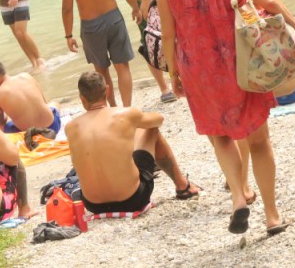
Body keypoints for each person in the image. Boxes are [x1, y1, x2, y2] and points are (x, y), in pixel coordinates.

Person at [156, 0, 295, 236]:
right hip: (242, 63)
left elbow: (168, 33)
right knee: (258, 141)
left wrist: (174, 74)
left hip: (198, 70)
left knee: (220, 136)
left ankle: (237, 196)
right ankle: (272, 216)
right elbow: (267, 0)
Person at [67, 71, 200, 215]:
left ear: (81, 98)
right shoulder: (125, 114)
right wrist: (135, 123)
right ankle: (182, 186)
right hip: (132, 199)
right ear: (108, 90)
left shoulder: (70, 127)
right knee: (150, 129)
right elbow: (159, 120)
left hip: (93, 205)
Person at [61, 0, 138, 107]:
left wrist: (69, 35)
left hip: (90, 27)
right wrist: (135, 8)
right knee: (122, 66)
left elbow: (67, 8)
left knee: (101, 69)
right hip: (113, 19)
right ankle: (127, 108)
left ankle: (112, 107)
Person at [0, 63, 62, 136]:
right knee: (54, 103)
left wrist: (9, 115)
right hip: (53, 128)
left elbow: (0, 122)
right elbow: (44, 102)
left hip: (29, 136)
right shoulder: (26, 76)